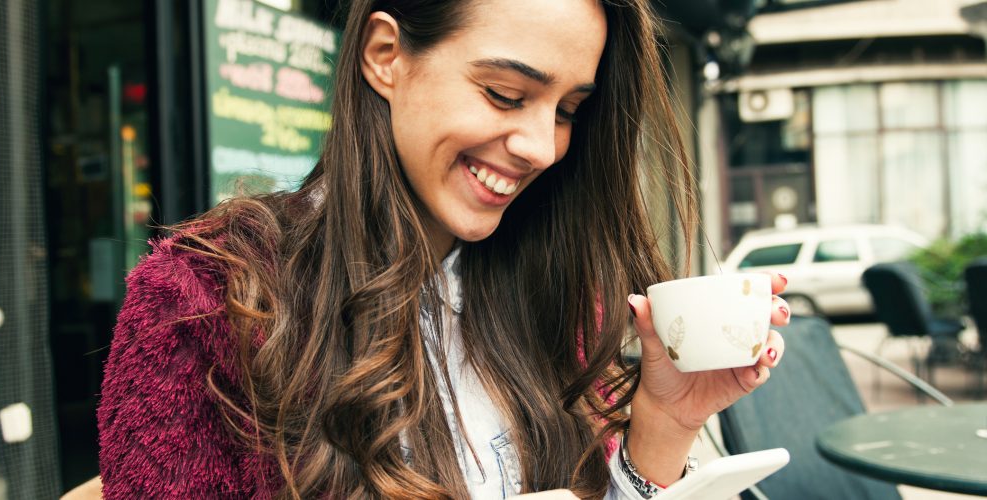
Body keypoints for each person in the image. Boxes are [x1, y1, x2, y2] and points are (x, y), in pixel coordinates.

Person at [97, 0, 792, 498]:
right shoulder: (206, 300)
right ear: (385, 56)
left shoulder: (554, 293)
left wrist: (663, 427)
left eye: (568, 111)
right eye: (504, 92)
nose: (540, 145)